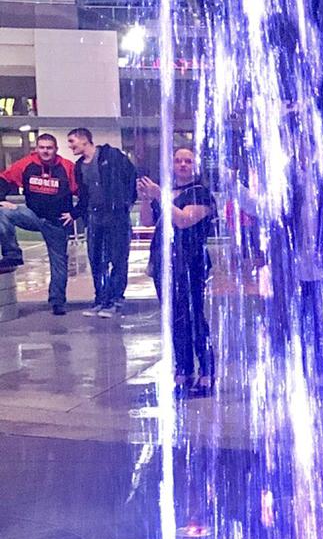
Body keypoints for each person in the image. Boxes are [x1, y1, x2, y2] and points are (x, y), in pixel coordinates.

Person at [139, 146, 216, 395]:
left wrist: (160, 196)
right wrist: (146, 199)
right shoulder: (166, 191)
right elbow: (147, 221)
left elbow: (184, 220)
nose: (182, 165)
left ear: (195, 166)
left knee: (194, 315)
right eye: (178, 161)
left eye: (188, 161)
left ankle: (206, 369)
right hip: (165, 261)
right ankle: (183, 367)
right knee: (174, 317)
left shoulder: (201, 193)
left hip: (190, 262)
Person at [0, 133, 78, 316]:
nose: (45, 151)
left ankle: (57, 302)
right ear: (37, 149)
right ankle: (12, 253)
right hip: (33, 216)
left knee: (59, 264)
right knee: (2, 212)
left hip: (57, 222)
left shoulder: (67, 167)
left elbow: (83, 191)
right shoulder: (26, 164)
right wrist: (1, 199)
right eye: (42, 147)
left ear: (56, 149)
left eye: (49, 148)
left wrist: (74, 214)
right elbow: (4, 179)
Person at [67, 127, 137, 313]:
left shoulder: (111, 156)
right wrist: (76, 213)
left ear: (84, 140)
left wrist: (125, 203)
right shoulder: (79, 166)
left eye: (72, 141)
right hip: (94, 217)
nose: (70, 146)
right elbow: (83, 195)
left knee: (118, 257)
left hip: (116, 216)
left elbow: (131, 176)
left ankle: (116, 299)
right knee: (97, 260)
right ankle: (101, 298)